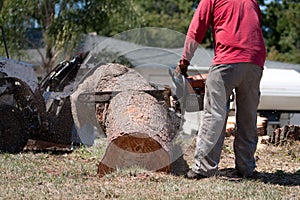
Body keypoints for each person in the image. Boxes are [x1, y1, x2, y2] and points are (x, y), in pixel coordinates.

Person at [176, 0, 266, 179]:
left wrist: (184, 62)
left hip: (228, 59)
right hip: (255, 60)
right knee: (248, 116)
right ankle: (246, 168)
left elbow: (197, 28)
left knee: (214, 115)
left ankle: (203, 169)